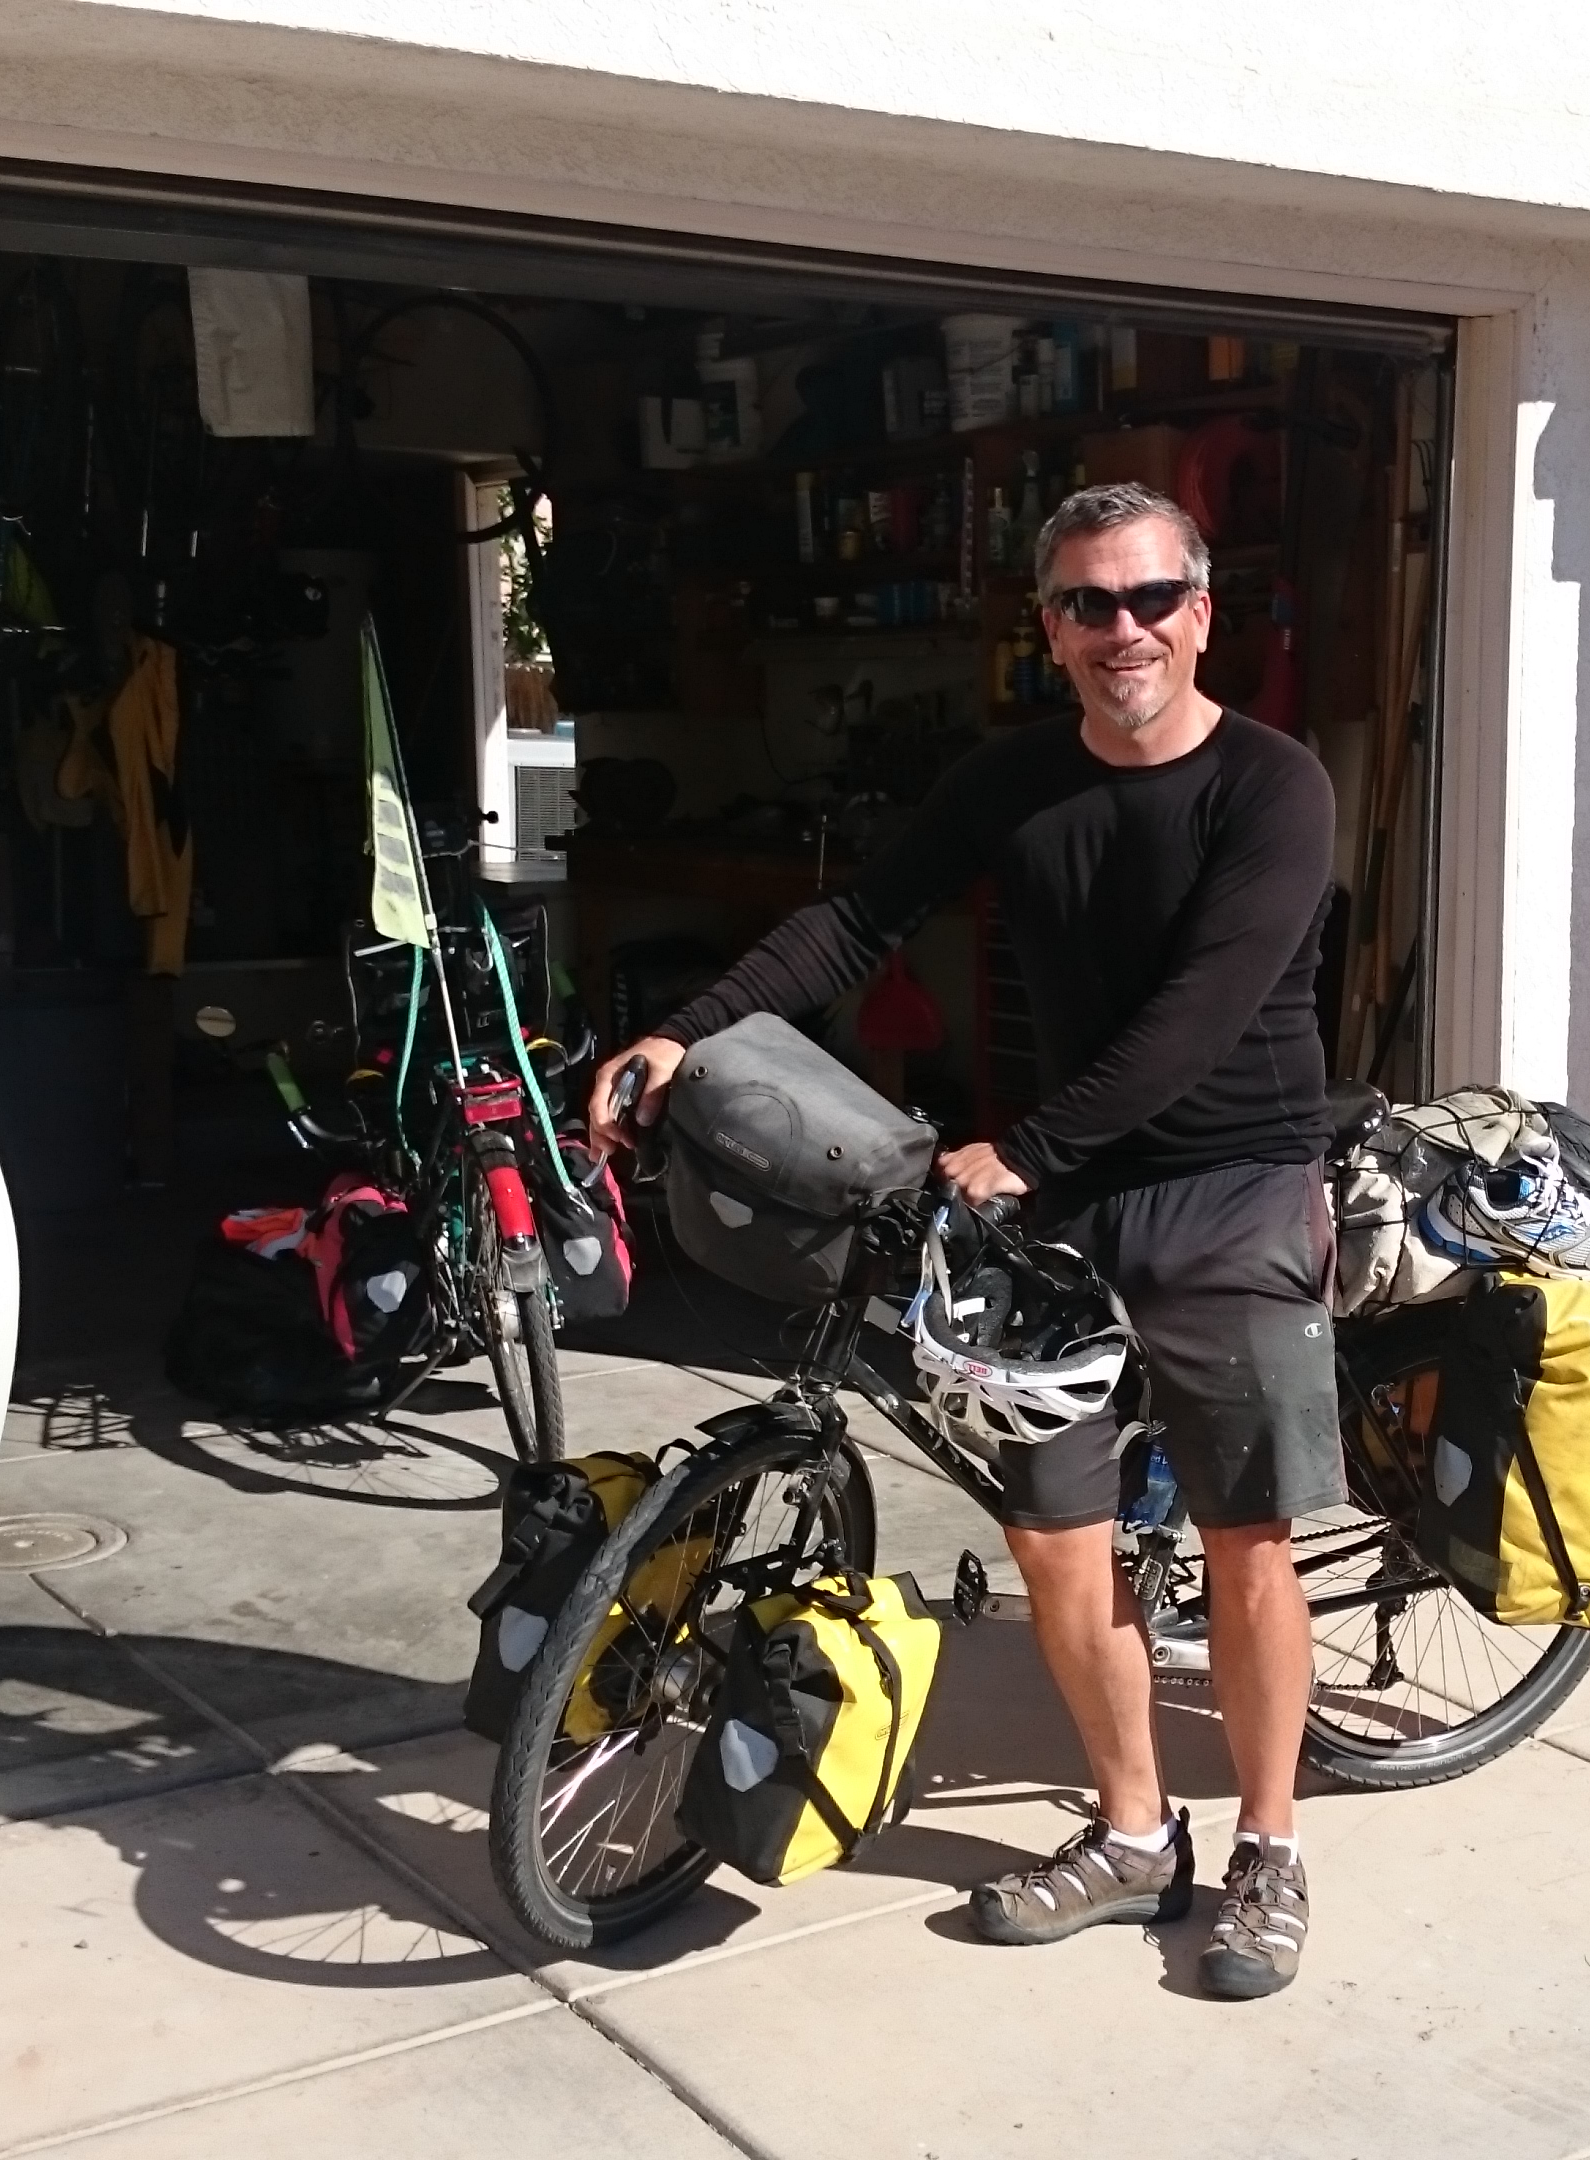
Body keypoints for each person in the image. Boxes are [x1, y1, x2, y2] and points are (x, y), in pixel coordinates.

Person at [586, 481, 1336, 2001]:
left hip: (1232, 1187)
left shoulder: (1273, 787)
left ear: (1200, 615)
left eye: (1150, 599)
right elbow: (855, 922)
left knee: (1244, 1538)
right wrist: (689, 1029)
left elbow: (1200, 1011)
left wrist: (1030, 1150)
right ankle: (1135, 1837)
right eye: (1086, 604)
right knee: (1054, 1540)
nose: (1122, 630)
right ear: (1049, 629)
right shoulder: (1013, 780)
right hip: (1063, 1211)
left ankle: (1269, 1847)